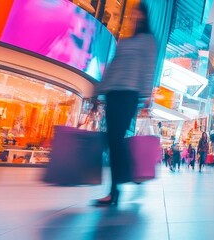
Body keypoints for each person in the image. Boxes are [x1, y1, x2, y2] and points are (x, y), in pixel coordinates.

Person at [93, 2, 157, 206]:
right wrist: (98, 91)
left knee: (116, 140)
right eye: (133, 13)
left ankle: (118, 185)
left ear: (144, 16)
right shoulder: (126, 40)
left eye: (137, 13)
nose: (134, 17)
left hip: (130, 95)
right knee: (112, 141)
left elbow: (148, 70)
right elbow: (112, 67)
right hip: (112, 94)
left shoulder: (149, 41)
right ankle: (117, 186)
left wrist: (146, 97)